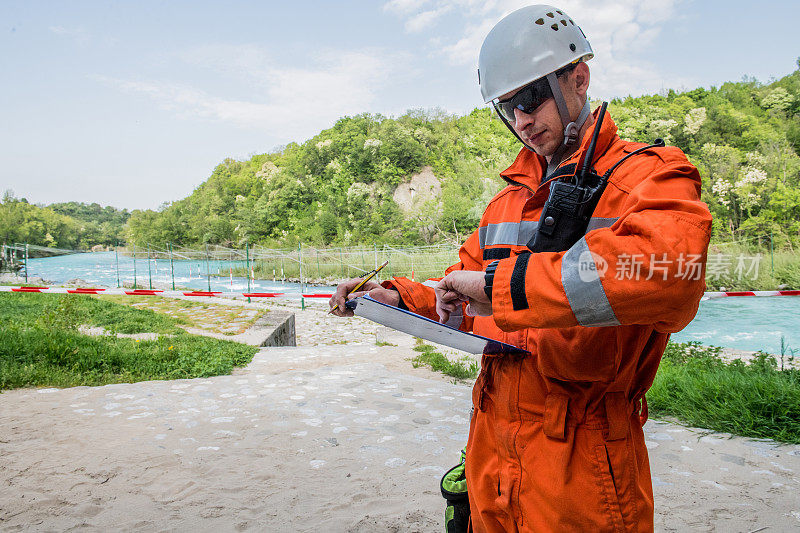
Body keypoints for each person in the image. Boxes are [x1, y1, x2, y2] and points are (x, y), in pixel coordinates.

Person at [330, 4, 711, 532]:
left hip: (583, 462)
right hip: (492, 448)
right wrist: (393, 298)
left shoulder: (650, 178)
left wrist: (498, 287)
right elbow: (458, 292)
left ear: (578, 78)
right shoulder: (506, 205)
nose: (522, 121)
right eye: (507, 108)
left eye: (530, 98)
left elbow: (669, 276)